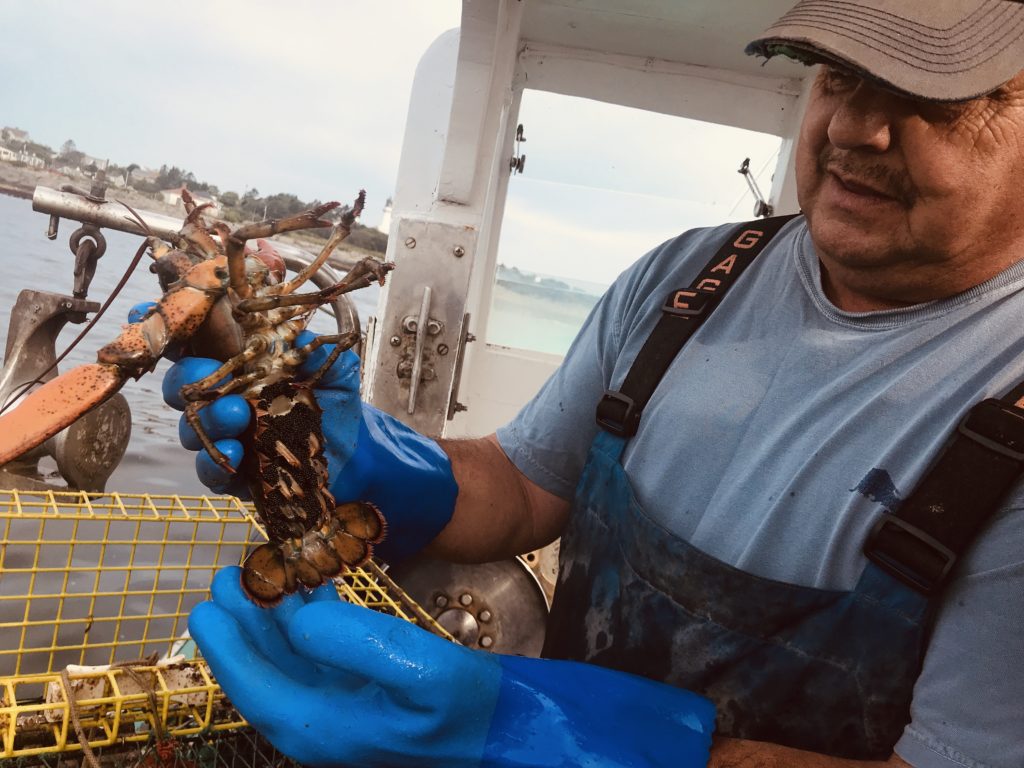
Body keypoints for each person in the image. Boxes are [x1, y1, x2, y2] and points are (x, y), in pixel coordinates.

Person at [174, 1, 1024, 766]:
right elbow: (526, 484)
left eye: (931, 100)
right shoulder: (694, 276)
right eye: (840, 76)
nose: (856, 128)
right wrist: (381, 464)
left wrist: (550, 736)